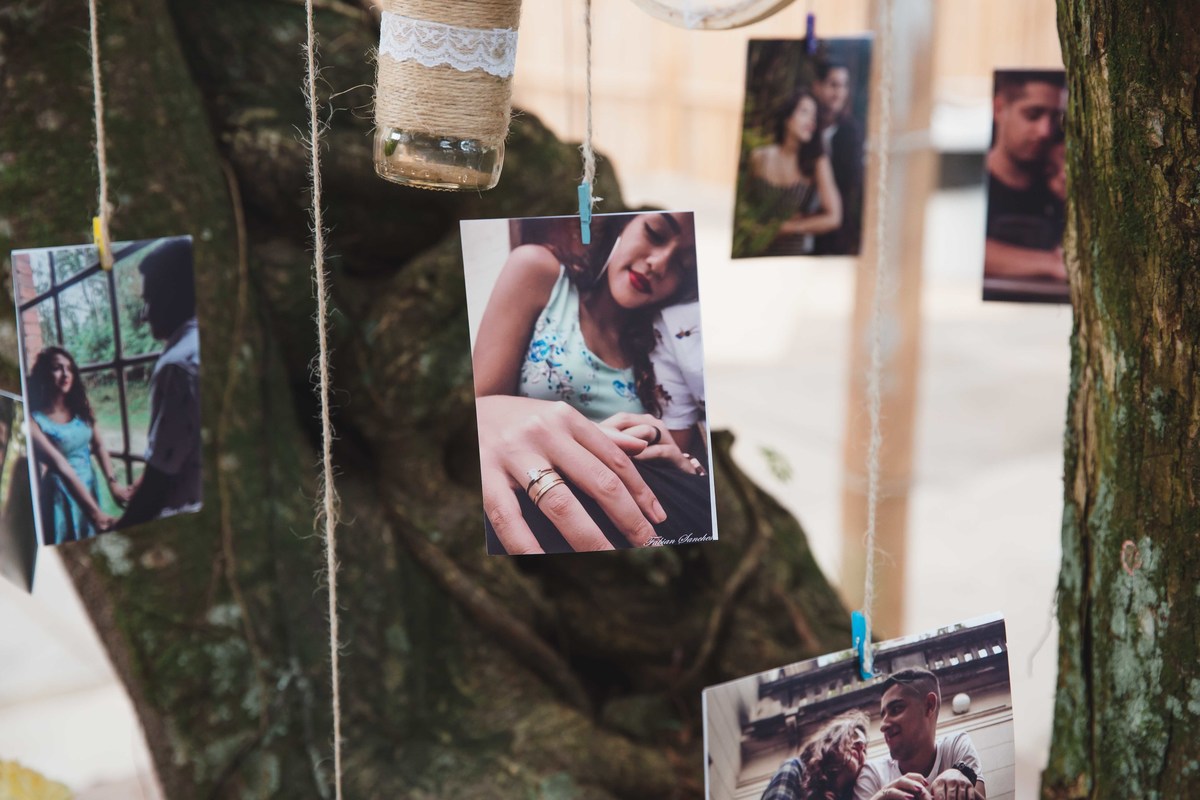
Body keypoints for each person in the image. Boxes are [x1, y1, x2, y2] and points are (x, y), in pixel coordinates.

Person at [473, 212, 712, 554]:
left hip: (636, 513)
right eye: (655, 233)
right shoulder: (539, 271)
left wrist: (681, 458)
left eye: (681, 265)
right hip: (535, 498)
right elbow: (478, 409)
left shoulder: (659, 350)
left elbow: (675, 456)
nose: (658, 264)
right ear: (621, 224)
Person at [116, 237, 202, 528]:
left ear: (173, 294)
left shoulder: (177, 366)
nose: (143, 314)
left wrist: (118, 528)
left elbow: (158, 486)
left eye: (149, 299)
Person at [27, 347, 127, 544]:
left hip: (89, 485)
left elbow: (98, 446)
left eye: (69, 369)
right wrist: (95, 513)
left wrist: (113, 483)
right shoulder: (33, 421)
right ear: (44, 374)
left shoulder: (81, 406)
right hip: (61, 494)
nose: (65, 374)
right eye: (57, 368)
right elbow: (61, 466)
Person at [984, 71, 1068, 284]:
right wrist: (1050, 264)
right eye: (1033, 114)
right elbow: (965, 250)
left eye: (1055, 118)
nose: (1045, 131)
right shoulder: (976, 180)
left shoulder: (1057, 180)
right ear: (999, 108)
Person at [854, 668, 985, 800]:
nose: (883, 726)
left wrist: (960, 779)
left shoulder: (956, 746)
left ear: (929, 705)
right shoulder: (873, 774)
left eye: (896, 709)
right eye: (883, 715)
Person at [744, 89, 843, 256]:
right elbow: (745, 208)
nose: (811, 121)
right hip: (755, 251)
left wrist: (791, 227)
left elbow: (834, 218)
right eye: (804, 112)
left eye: (814, 116)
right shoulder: (759, 157)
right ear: (787, 118)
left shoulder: (815, 162)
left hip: (794, 256)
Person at [812, 60, 865, 256]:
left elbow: (852, 184)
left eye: (843, 86)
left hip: (833, 238)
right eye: (833, 85)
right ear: (817, 86)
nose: (839, 93)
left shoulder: (851, 132)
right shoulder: (806, 127)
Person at [761, 711, 869, 800]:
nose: (860, 745)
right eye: (853, 736)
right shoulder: (795, 769)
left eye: (864, 748)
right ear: (833, 741)